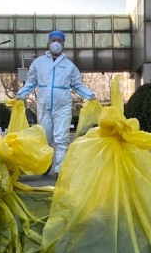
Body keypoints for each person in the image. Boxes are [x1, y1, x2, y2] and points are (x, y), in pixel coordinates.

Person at [16, 30, 96, 175]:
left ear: (64, 44)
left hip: (63, 106)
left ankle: (60, 170)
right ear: (48, 42)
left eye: (60, 41)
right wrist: (21, 94)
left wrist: (89, 95)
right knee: (45, 137)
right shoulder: (38, 63)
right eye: (53, 40)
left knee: (62, 138)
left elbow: (77, 85)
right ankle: (45, 165)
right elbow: (31, 82)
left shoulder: (69, 66)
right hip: (44, 105)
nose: (56, 44)